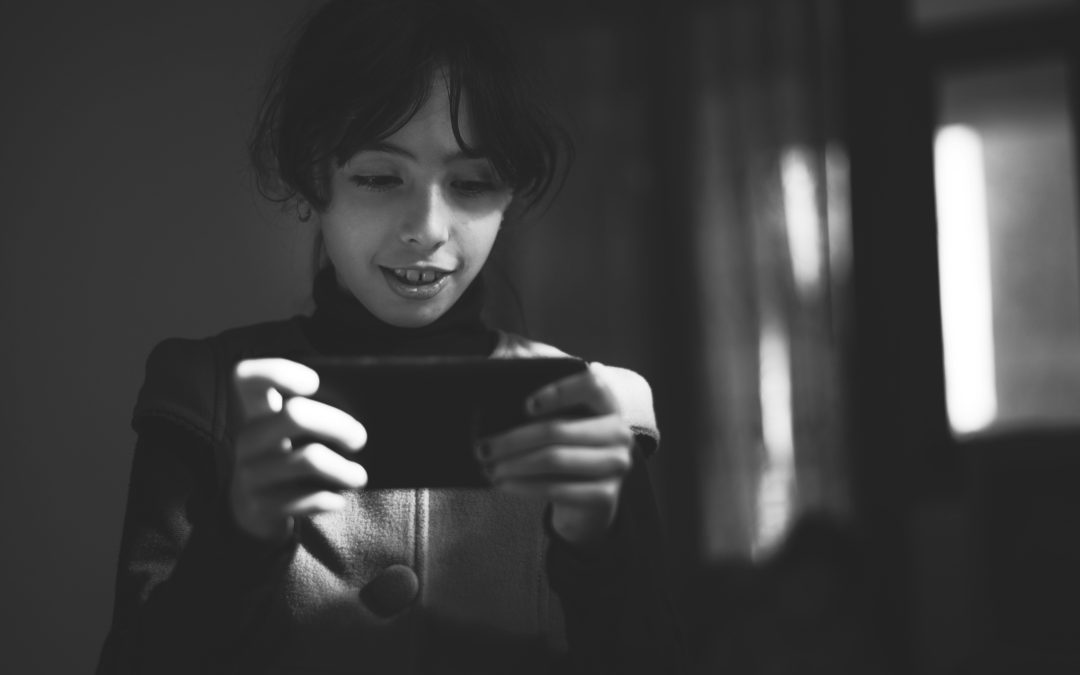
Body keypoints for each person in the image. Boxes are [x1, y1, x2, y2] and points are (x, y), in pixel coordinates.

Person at [96, 1, 684, 673]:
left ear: (510, 193)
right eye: (379, 176)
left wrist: (602, 551)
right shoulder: (203, 398)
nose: (427, 227)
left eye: (472, 181)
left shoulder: (596, 415)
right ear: (312, 175)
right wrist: (237, 540)